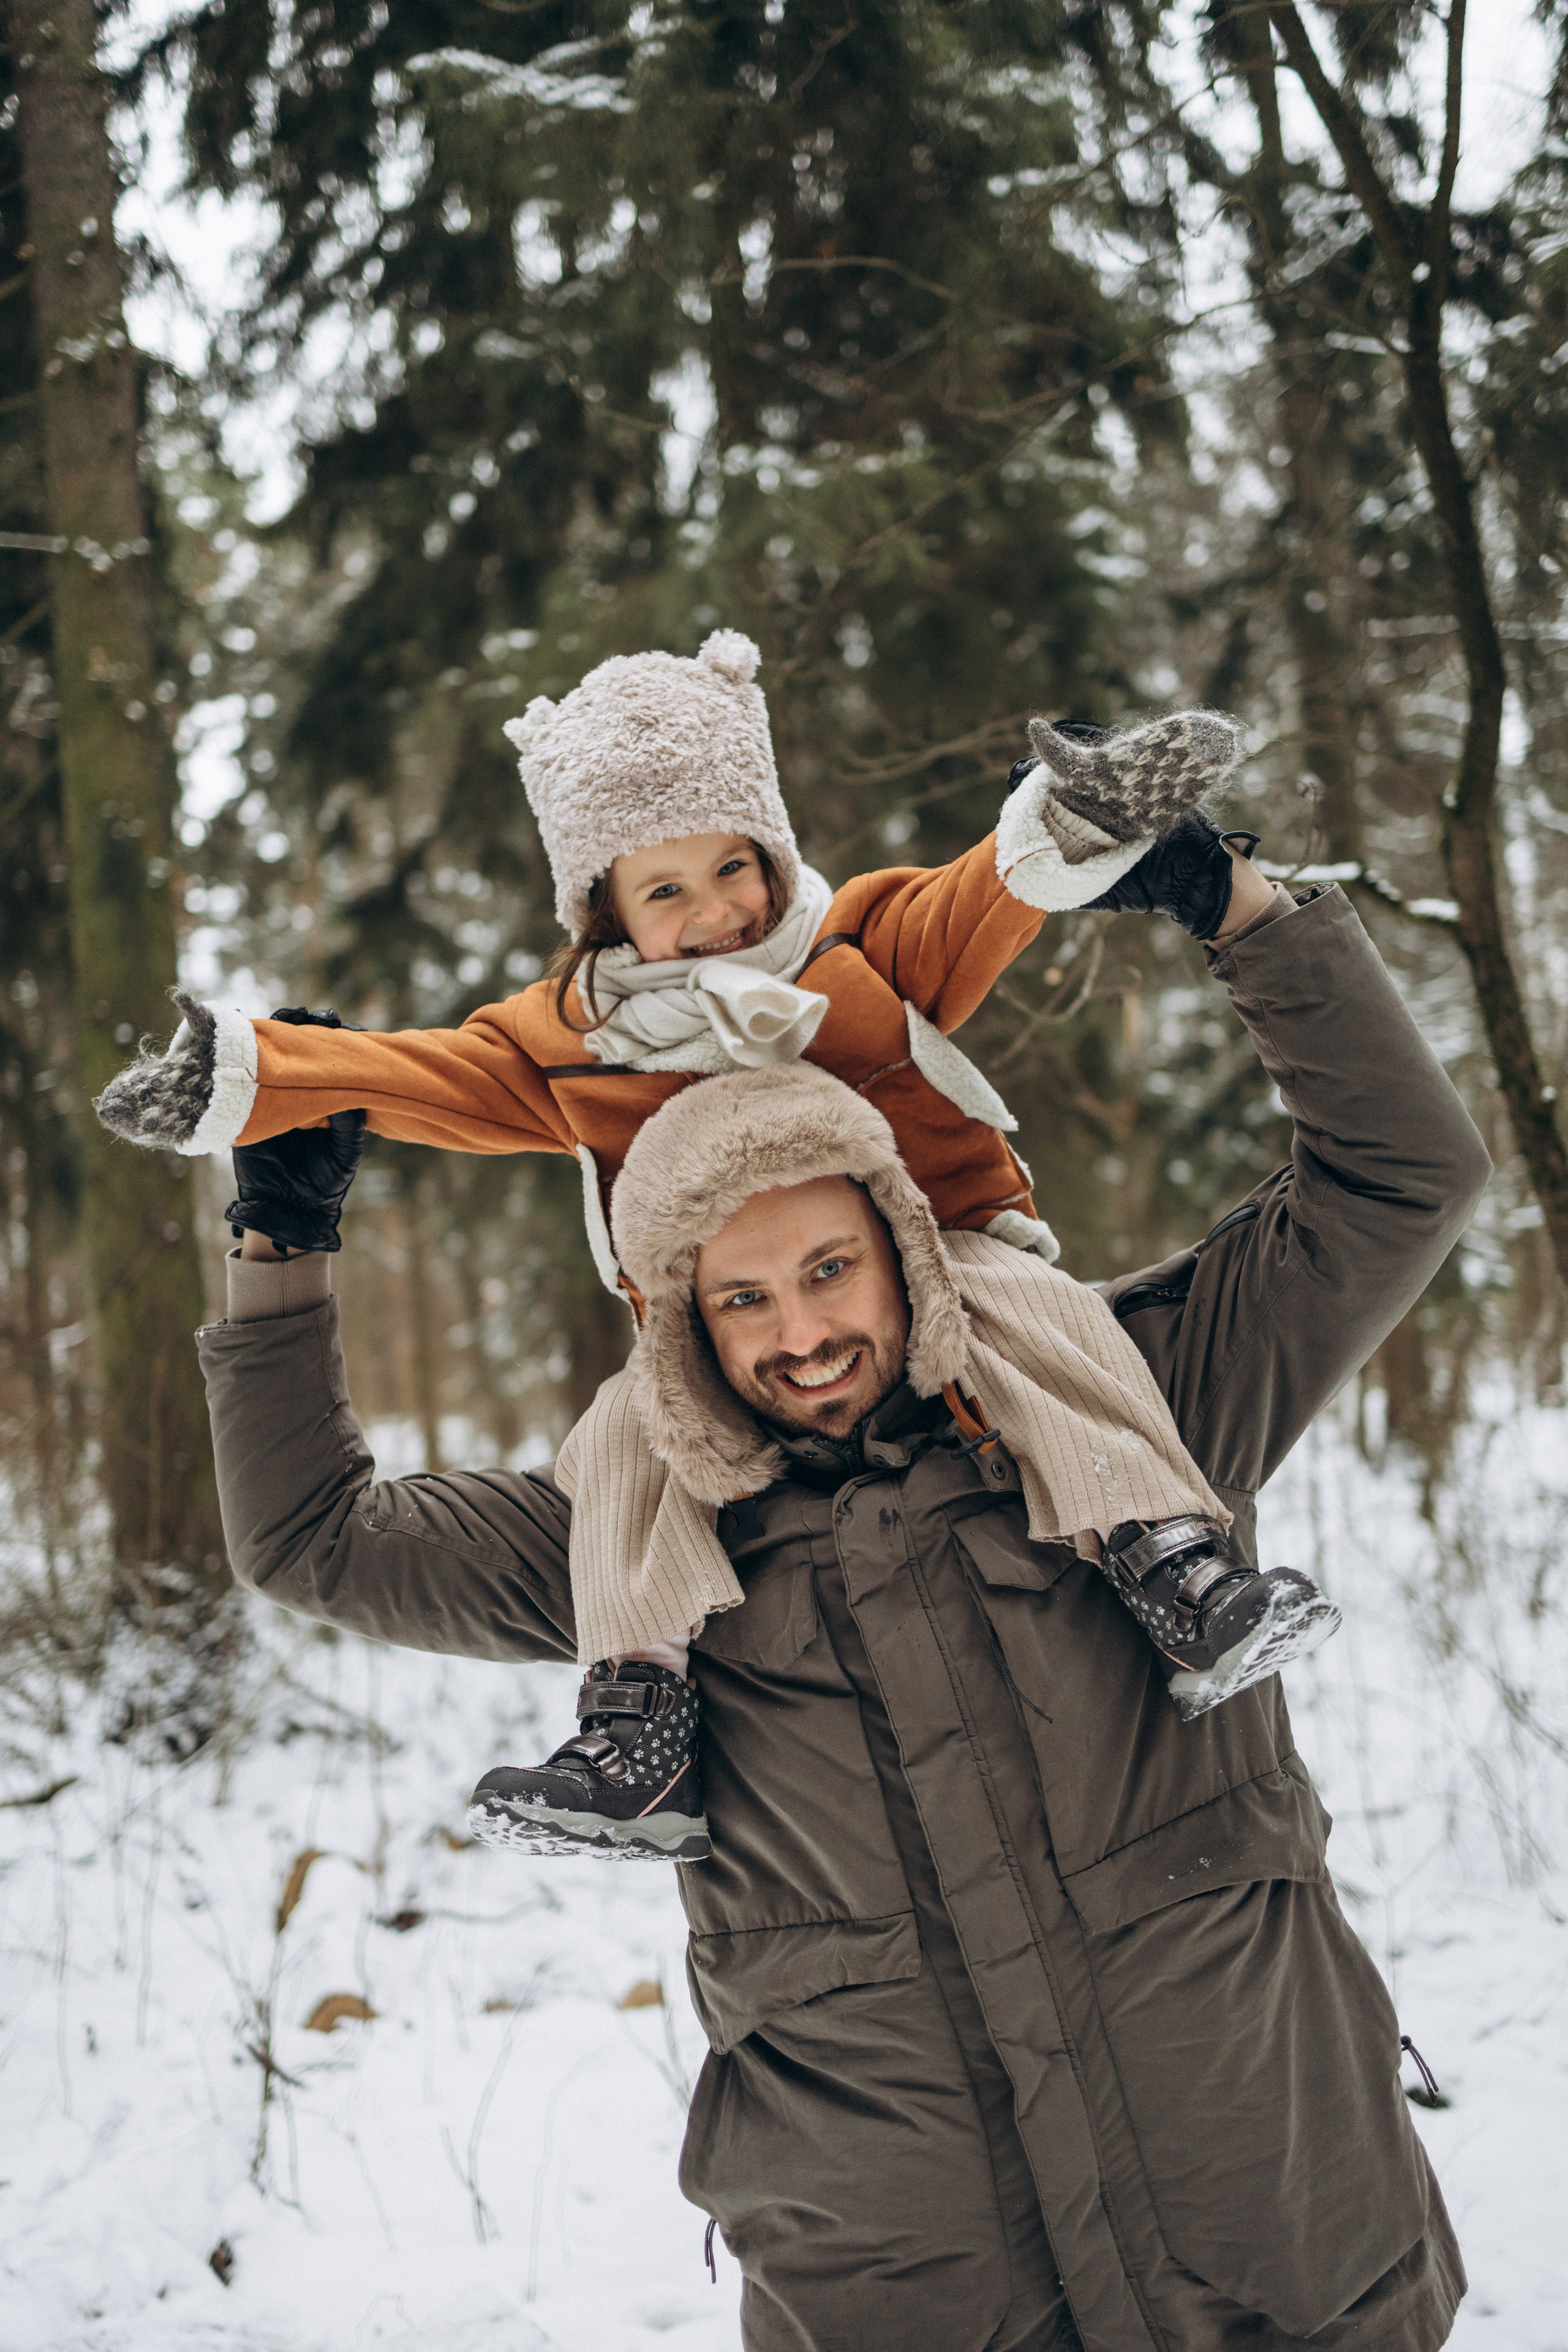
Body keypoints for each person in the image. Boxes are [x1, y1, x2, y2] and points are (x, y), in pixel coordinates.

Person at [198, 867, 1485, 2350]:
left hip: (1280, 2248)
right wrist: (282, 1248)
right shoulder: (637, 1544)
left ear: (901, 1244)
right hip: (913, 2295)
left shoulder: (1135, 1403)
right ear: (679, 1315)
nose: (800, 1334)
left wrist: (1236, 906)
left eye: (827, 1269)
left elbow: (1401, 1177)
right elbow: (311, 1535)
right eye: (740, 1300)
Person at [99, 633, 1338, 1858]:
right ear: (604, 913)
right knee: (632, 1436)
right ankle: (639, 1710)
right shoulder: (570, 1042)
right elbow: (420, 1076)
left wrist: (1080, 817)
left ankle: (1168, 1562)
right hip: (702, 1336)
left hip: (941, 1258)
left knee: (1043, 1330)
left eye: (730, 867)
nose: (711, 916)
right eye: (663, 890)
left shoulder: (855, 953)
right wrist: (250, 1080)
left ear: (771, 852)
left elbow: (983, 899)